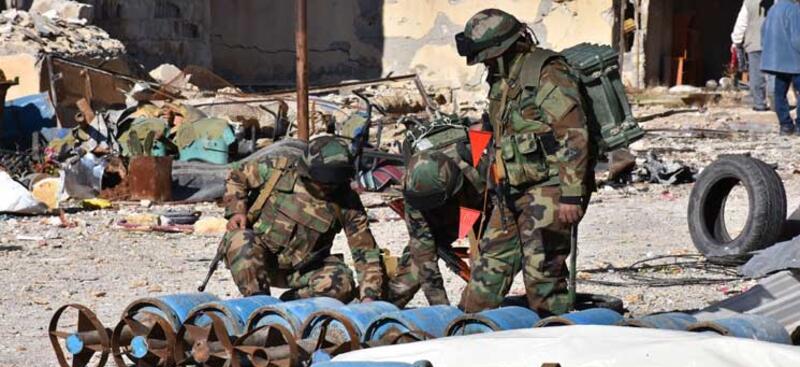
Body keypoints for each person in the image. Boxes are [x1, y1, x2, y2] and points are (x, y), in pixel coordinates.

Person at [455, 9, 594, 316]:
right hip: (511, 188)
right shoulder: (503, 77)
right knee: (487, 271)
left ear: (502, 48)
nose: (485, 64)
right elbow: (502, 123)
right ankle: (468, 328)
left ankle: (556, 336)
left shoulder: (547, 72)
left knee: (542, 275)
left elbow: (573, 133)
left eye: (488, 57)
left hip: (549, 188)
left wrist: (572, 194)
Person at [222, 135, 384, 302]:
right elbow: (236, 175)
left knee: (340, 283)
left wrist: (369, 296)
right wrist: (237, 211)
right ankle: (258, 303)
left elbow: (365, 251)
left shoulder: (346, 201)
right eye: (323, 182)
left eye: (335, 183)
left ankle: (291, 304)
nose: (328, 188)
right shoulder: (278, 171)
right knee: (240, 239)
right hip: (259, 260)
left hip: (302, 270)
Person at [387, 137, 488, 306]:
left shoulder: (477, 171)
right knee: (411, 275)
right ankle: (386, 308)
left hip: (485, 208)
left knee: (493, 266)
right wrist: (440, 309)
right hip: (443, 220)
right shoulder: (414, 191)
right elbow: (424, 254)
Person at [762, 0, 800, 135]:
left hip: (778, 61)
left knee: (779, 94)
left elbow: (763, 32)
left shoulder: (773, 9)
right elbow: (797, 38)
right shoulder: (793, 9)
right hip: (795, 61)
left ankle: (785, 125)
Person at [731, 0, 775, 111]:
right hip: (773, 43)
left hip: (754, 43)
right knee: (773, 74)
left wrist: (736, 41)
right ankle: (776, 103)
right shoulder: (778, 2)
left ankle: (759, 104)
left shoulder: (748, 2)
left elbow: (741, 24)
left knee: (756, 75)